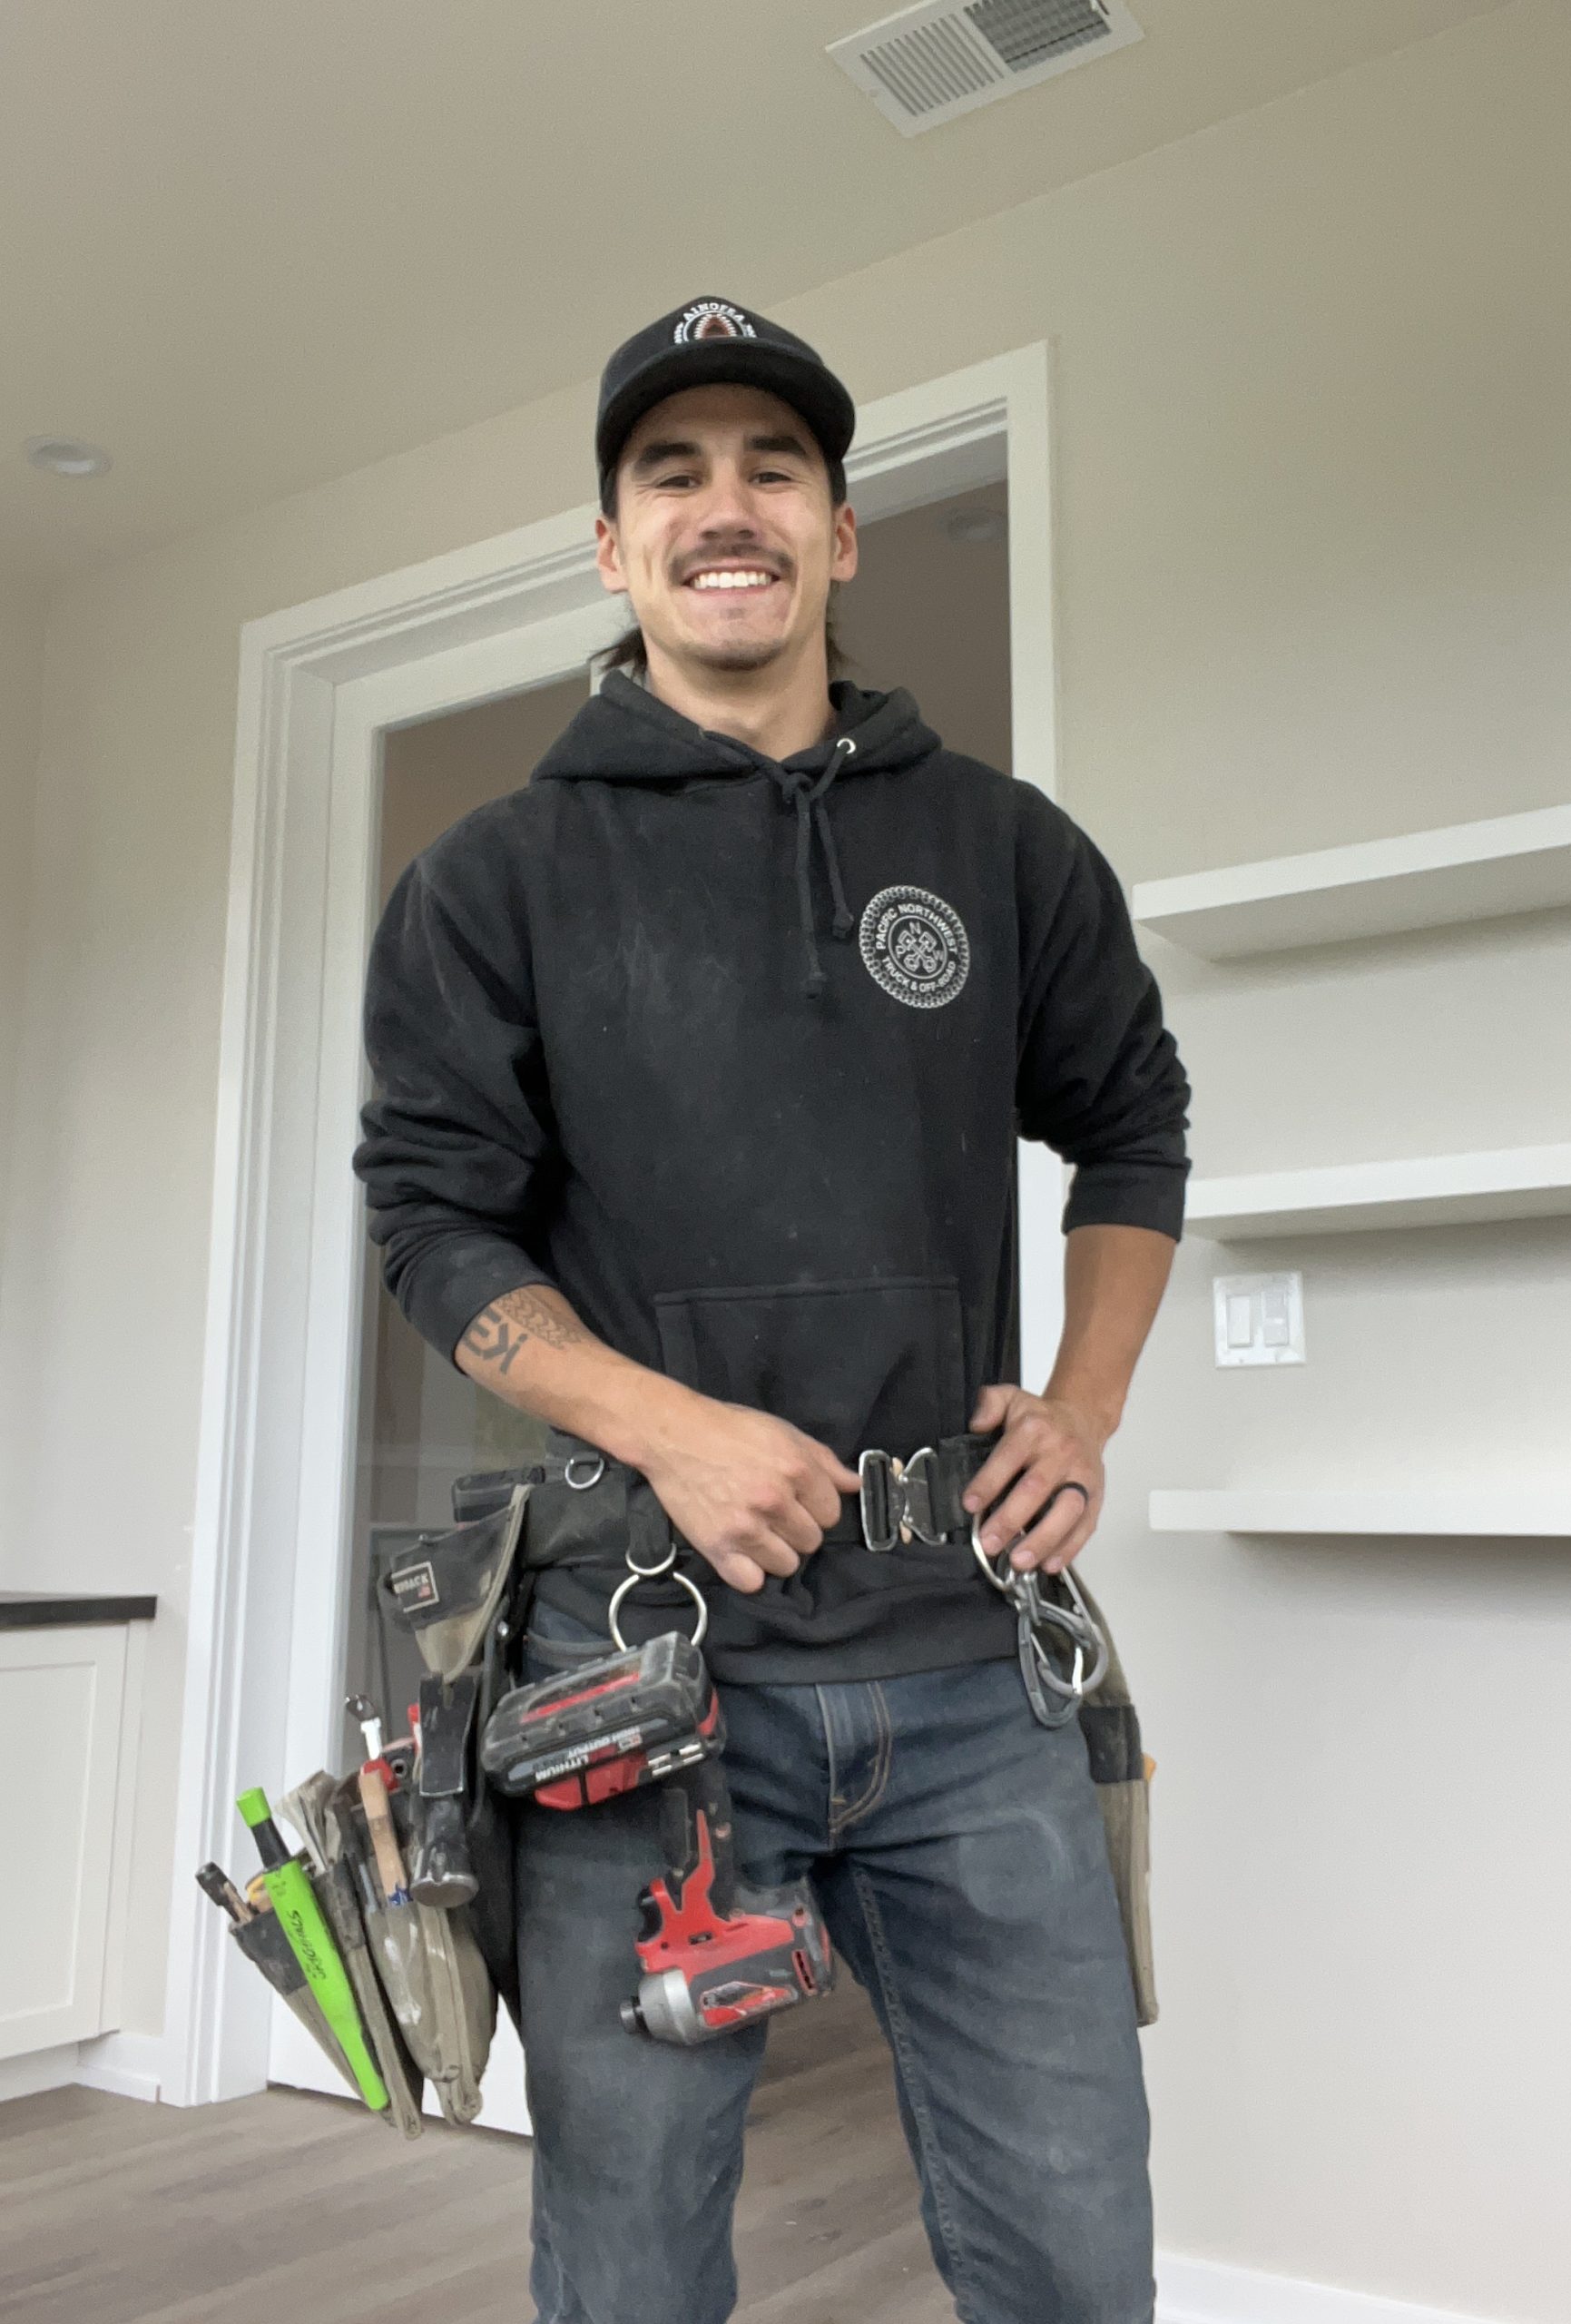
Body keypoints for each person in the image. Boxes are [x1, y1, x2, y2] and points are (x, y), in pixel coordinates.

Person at [354, 294, 1191, 2324]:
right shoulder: (498, 878)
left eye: (774, 468)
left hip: (972, 1661)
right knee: (633, 2267)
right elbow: (433, 1224)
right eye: (673, 473)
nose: (725, 507)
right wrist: (669, 1426)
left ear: (839, 530)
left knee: (1078, 2256)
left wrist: (1082, 1406)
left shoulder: (1001, 849)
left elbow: (1134, 1126)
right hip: (641, 1674)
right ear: (612, 547)